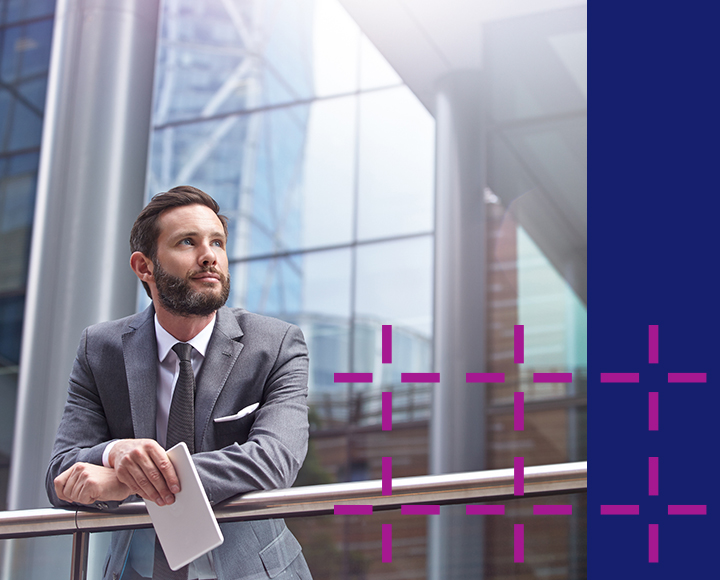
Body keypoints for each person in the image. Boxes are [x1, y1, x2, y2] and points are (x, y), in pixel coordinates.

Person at [46, 186, 312, 580]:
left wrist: (127, 479)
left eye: (217, 242)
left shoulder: (276, 345)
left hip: (253, 571)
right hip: (136, 572)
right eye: (188, 242)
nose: (209, 256)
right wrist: (116, 452)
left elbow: (273, 461)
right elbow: (59, 476)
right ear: (144, 267)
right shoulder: (99, 350)